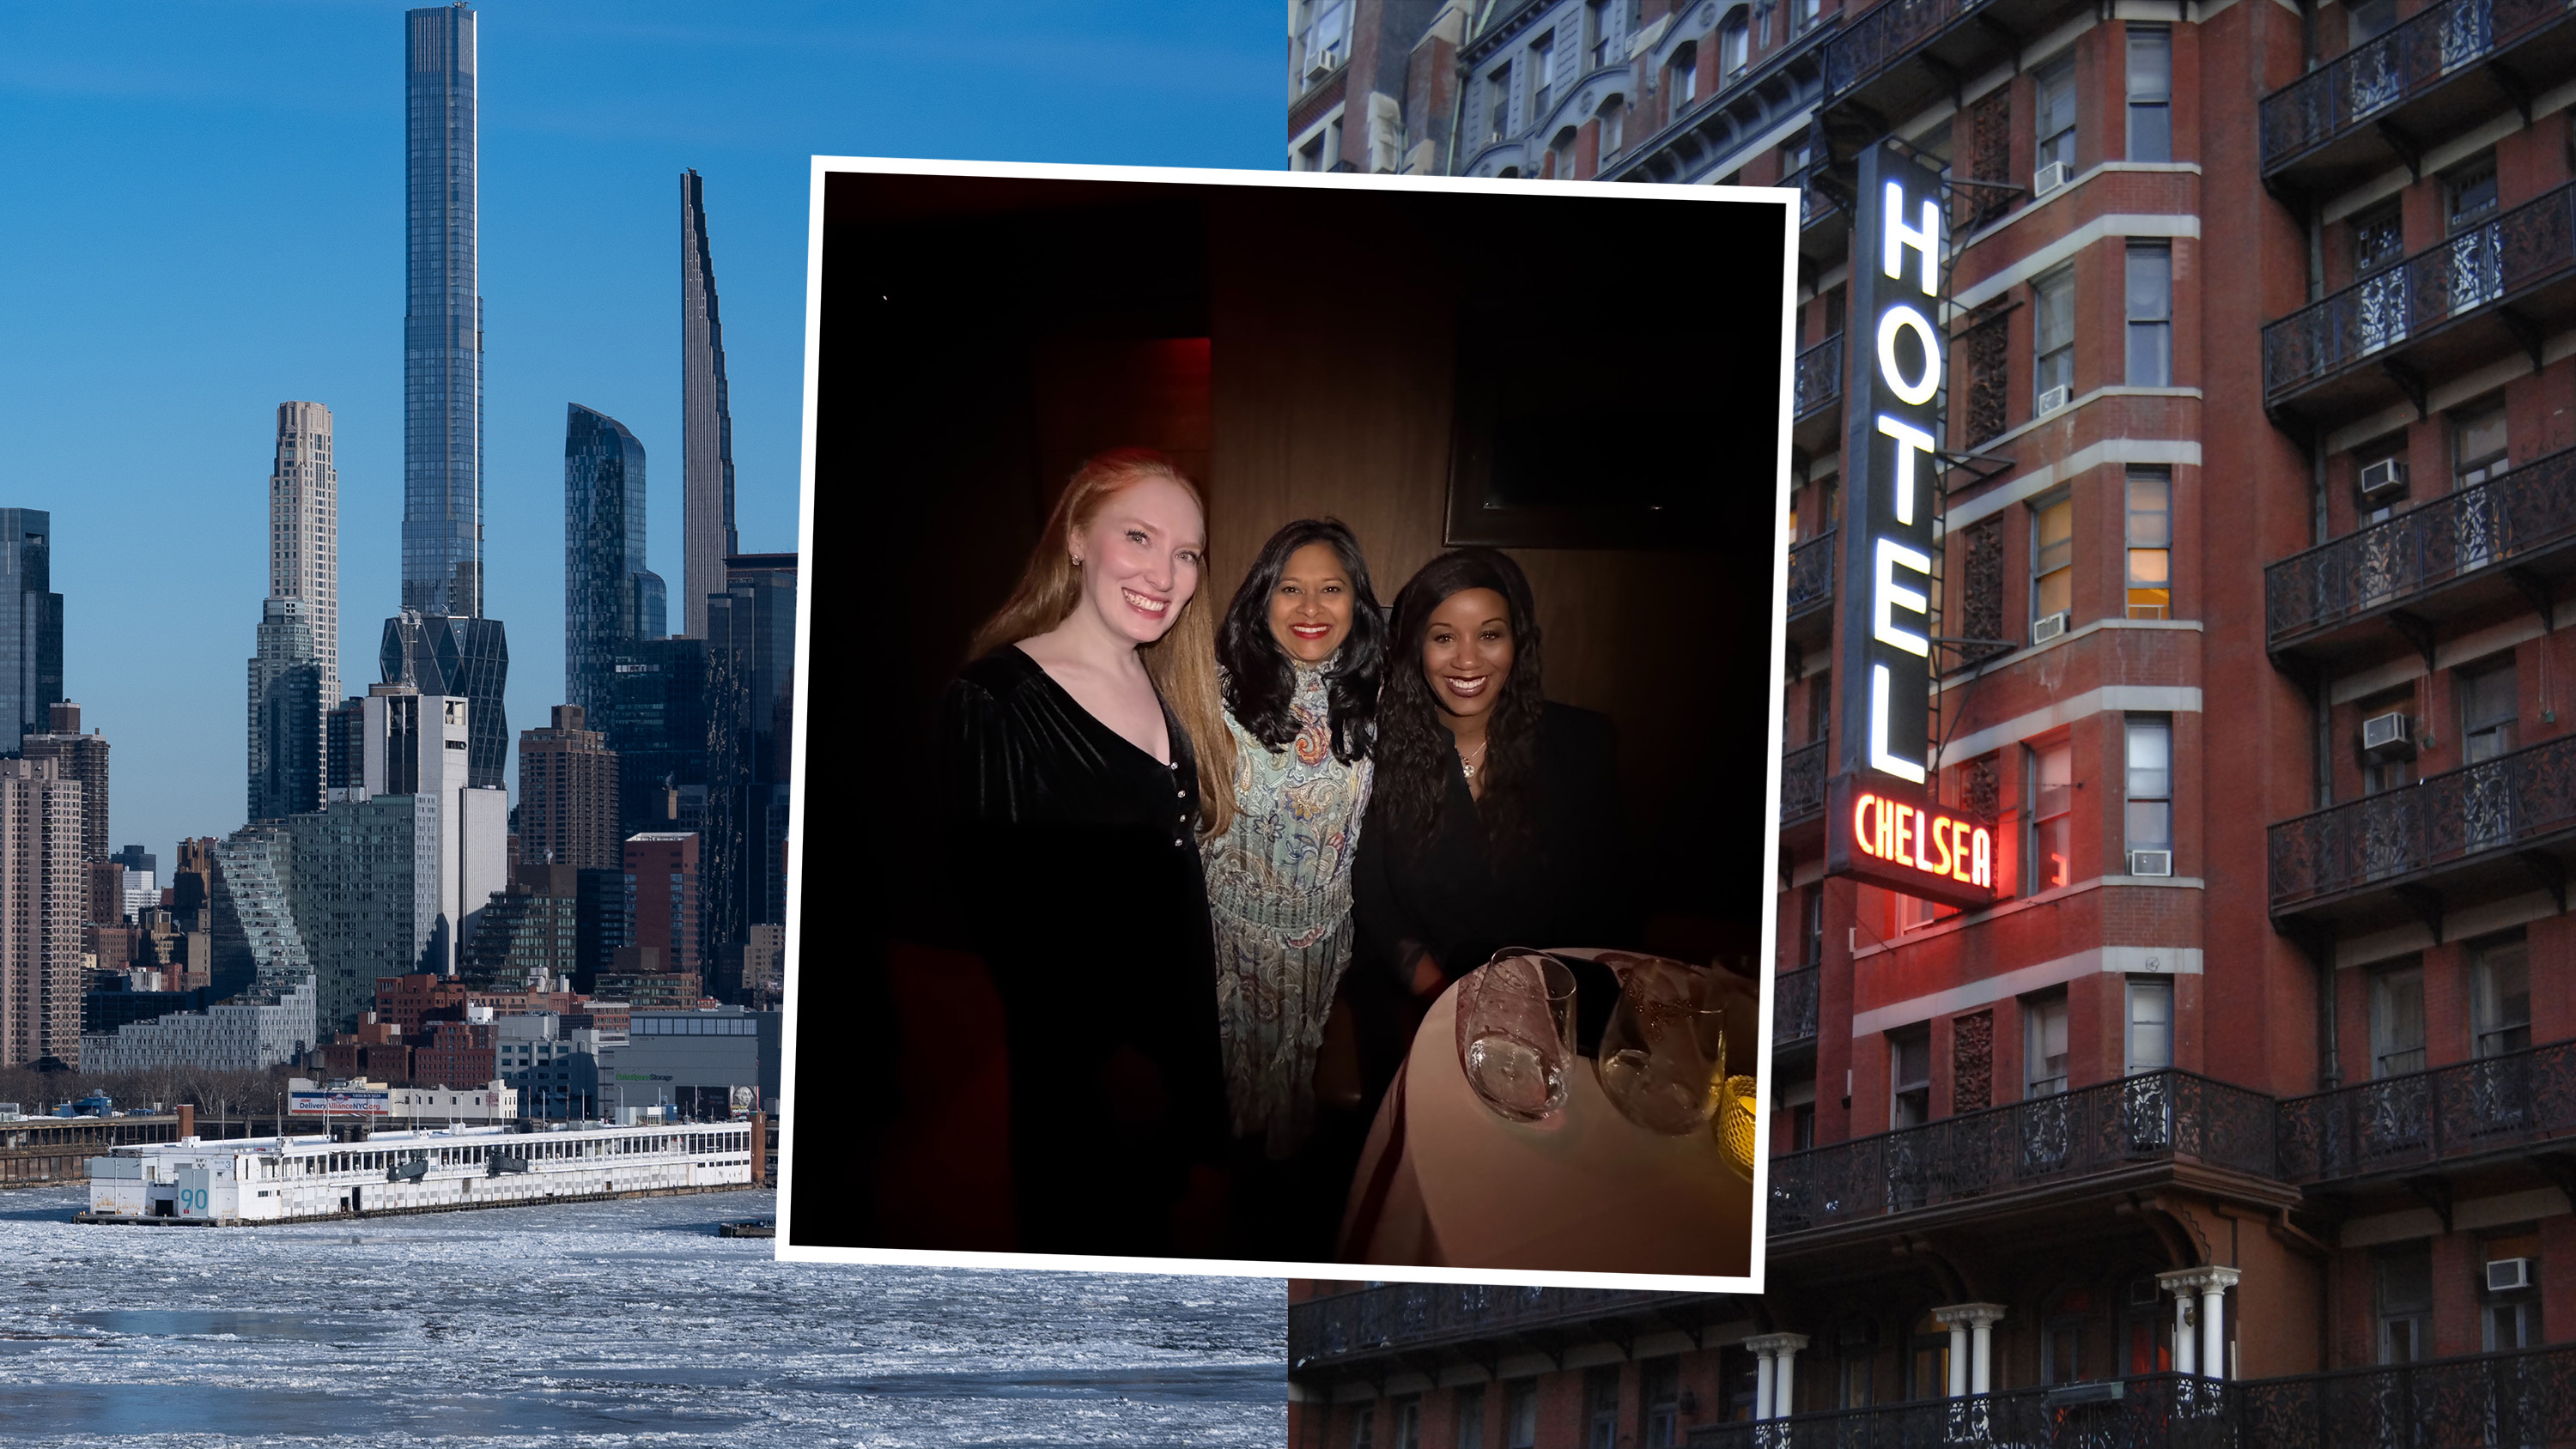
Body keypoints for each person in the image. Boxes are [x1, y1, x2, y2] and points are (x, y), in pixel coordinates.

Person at [938, 448, 1234, 1256]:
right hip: (1094, 1075)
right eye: (1138, 537)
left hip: (1174, 1034)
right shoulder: (996, 701)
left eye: (1186, 554)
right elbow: (1011, 943)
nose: (1165, 575)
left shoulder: (1167, 683)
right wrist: (1122, 1079)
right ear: (1076, 539)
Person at [1348, 547, 1639, 1100]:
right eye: (1442, 637)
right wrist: (1441, 997)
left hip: (1560, 1008)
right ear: (1414, 648)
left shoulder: (1581, 746)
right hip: (1423, 1000)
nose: (1466, 660)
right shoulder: (1376, 753)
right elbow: (1376, 902)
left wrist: (1547, 1007)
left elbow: (1613, 903)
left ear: (1518, 642)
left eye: (1489, 635)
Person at [1203, 518, 1385, 1163]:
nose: (1311, 608)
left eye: (1331, 589)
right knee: (1229, 1078)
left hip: (1327, 936)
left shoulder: (1376, 696)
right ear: (1262, 600)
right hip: (1230, 938)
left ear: (1356, 603)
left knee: (1301, 1072)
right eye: (1290, 590)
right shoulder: (1214, 694)